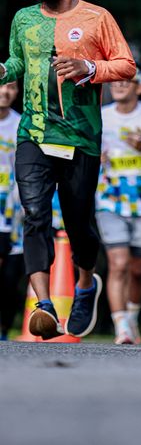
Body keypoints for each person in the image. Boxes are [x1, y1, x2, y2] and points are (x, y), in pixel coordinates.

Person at [0, 0, 136, 340]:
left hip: (81, 137)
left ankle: (86, 282)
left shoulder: (97, 18)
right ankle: (43, 305)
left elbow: (126, 65)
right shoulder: (24, 18)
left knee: (79, 225)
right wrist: (3, 71)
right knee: (35, 214)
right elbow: (18, 62)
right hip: (34, 133)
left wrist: (88, 67)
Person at [95, 67, 141, 344]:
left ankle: (132, 318)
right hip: (109, 198)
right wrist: (96, 158)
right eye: (115, 81)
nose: (120, 85)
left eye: (127, 81)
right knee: (118, 263)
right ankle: (120, 325)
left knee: (138, 268)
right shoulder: (101, 115)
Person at [0, 80, 23, 340]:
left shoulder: (21, 125)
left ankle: (4, 329)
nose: (5, 91)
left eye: (11, 87)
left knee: (10, 276)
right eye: (1, 85)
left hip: (12, 213)